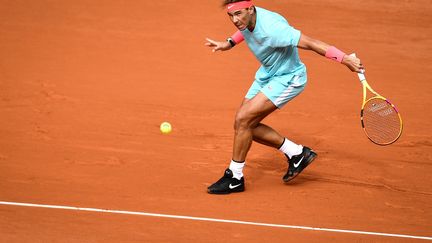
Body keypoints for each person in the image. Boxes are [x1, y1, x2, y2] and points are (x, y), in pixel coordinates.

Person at [205, 0, 364, 194]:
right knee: (243, 126)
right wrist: (228, 43)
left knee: (243, 119)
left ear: (250, 9)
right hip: (268, 72)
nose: (235, 20)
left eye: (238, 14)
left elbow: (312, 43)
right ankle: (296, 153)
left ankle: (235, 178)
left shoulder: (274, 29)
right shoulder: (248, 19)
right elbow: (245, 29)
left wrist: (345, 59)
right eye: (231, 16)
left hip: (289, 77)